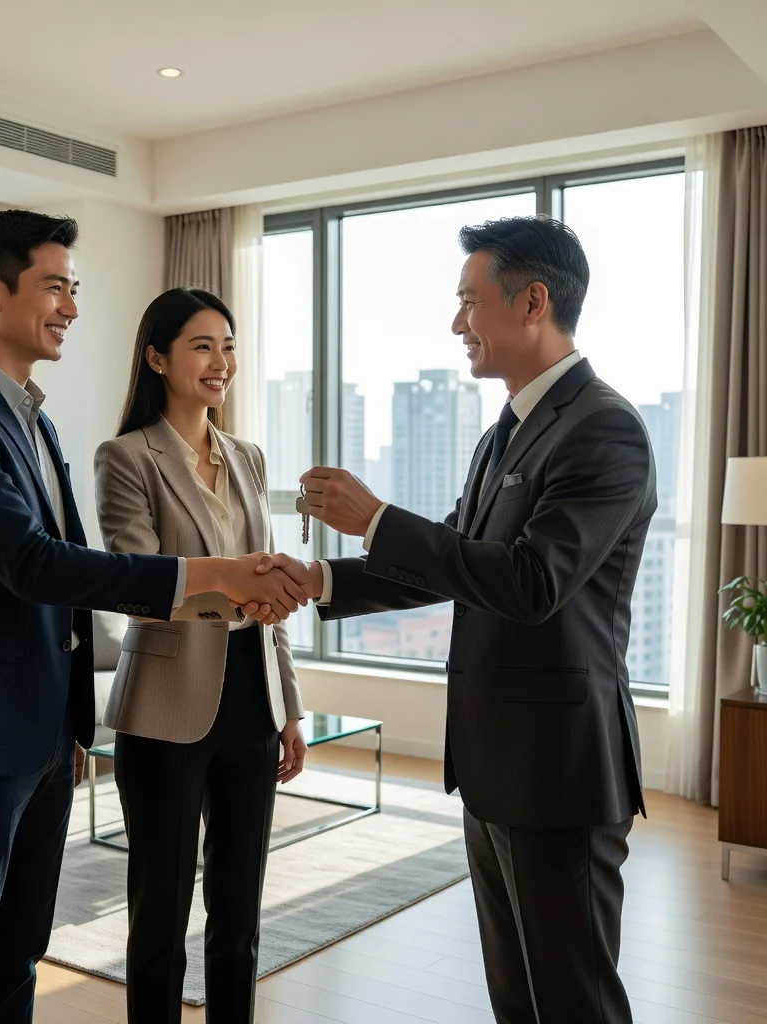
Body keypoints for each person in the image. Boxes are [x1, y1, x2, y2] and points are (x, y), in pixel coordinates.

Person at [0, 212, 306, 1024]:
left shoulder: (33, 418)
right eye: (55, 287)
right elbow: (36, 566)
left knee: (16, 956)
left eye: (74, 289)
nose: (73, 308)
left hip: (44, 732)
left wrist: (72, 724)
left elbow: (63, 591)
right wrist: (214, 575)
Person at [265, 216, 655, 1023]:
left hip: (558, 773)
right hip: (494, 766)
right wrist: (318, 578)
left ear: (533, 302)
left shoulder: (604, 429)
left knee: (574, 1001)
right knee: (516, 997)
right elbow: (445, 565)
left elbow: (529, 582)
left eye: (468, 302)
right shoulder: (503, 432)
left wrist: (375, 516)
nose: (456, 324)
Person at [93, 287, 307, 1023]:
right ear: (158, 358)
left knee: (240, 907)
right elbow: (138, 583)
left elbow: (269, 584)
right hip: (165, 705)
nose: (223, 362)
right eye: (202, 346)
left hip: (253, 696)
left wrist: (290, 707)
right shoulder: (126, 457)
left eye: (229, 345)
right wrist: (239, 594)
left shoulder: (248, 457)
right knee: (160, 909)